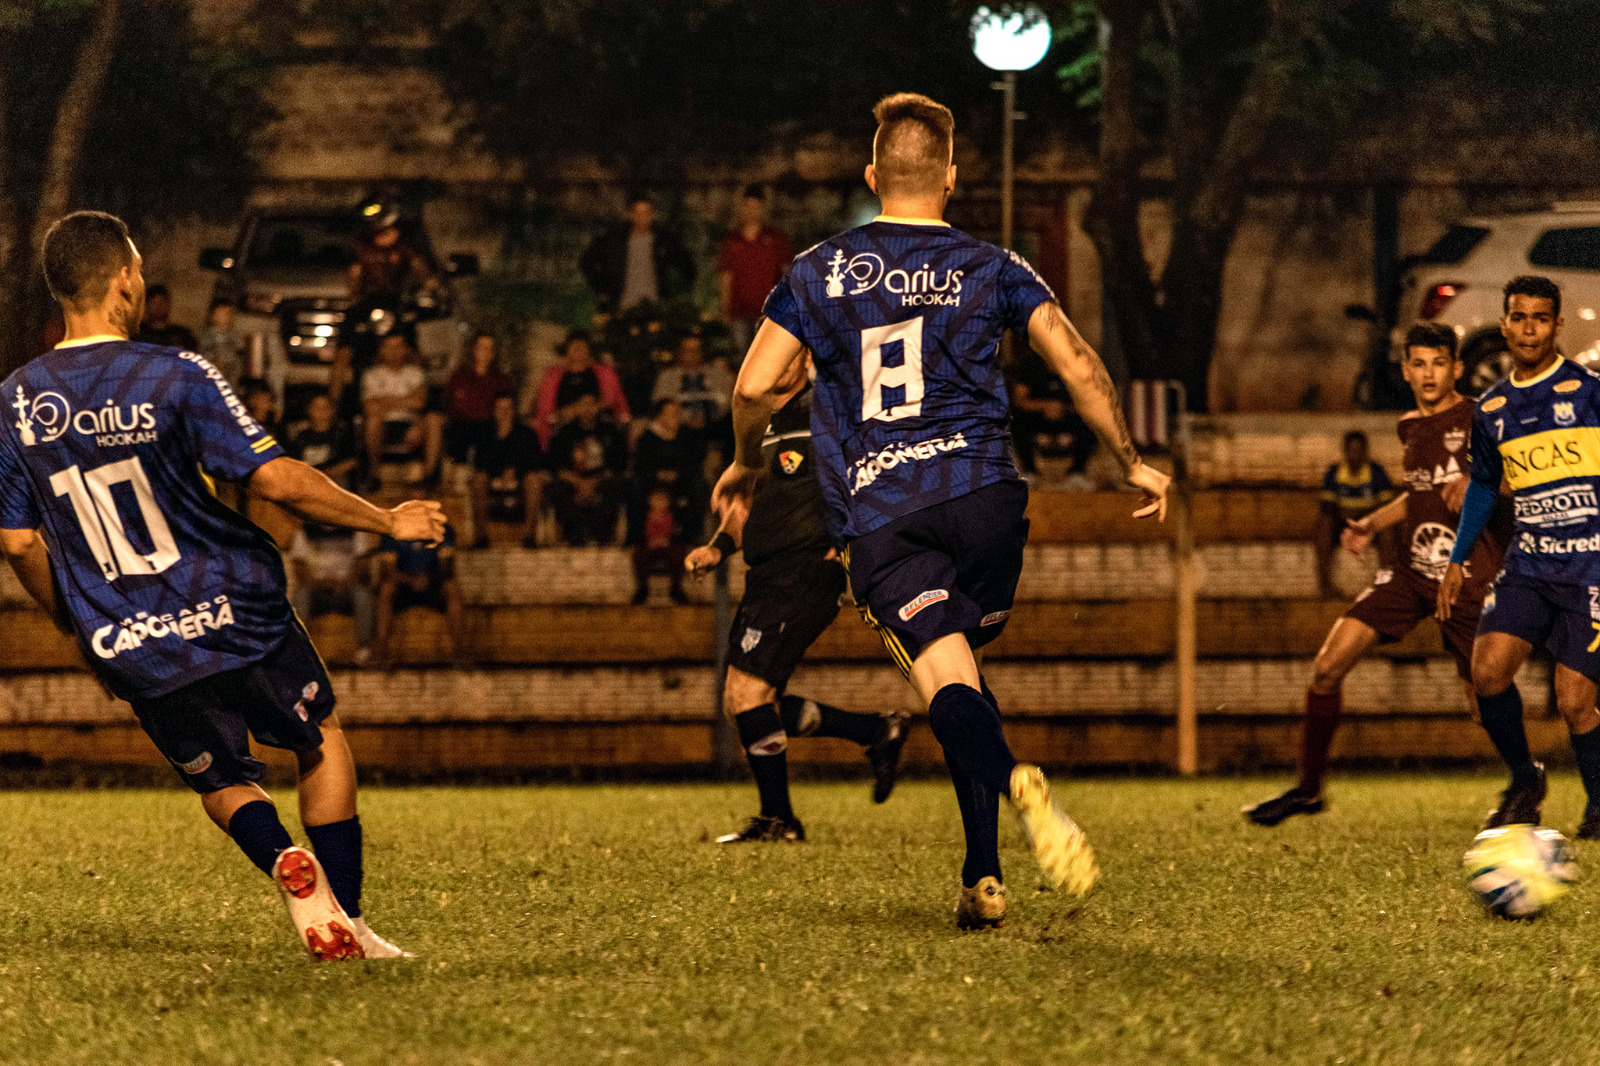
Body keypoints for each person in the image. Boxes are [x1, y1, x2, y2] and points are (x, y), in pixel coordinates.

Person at [713, 94, 1169, 929]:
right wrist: (1132, 461)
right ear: (951, 178)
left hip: (888, 513)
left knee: (945, 681)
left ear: (871, 174)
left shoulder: (819, 269)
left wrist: (746, 461)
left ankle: (1015, 779)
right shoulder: (993, 264)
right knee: (963, 672)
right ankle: (981, 875)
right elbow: (1076, 361)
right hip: (987, 500)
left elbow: (752, 387)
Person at [0, 210, 443, 960]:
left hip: (129, 632)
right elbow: (276, 480)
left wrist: (79, 626)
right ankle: (351, 921)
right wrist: (386, 519)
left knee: (220, 779)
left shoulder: (14, 401)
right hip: (232, 604)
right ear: (124, 280)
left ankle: (282, 858)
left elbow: (17, 541)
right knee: (319, 738)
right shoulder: (175, 373)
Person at [1243, 323, 1510, 826]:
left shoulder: (1481, 417)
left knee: (1484, 705)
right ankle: (1308, 790)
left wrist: (1481, 482)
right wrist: (1371, 522)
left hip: (1467, 577)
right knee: (1327, 667)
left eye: (1439, 363)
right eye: (1419, 364)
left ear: (1457, 368)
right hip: (1410, 573)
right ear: (1406, 370)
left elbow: (1516, 476)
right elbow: (1420, 493)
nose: (1429, 374)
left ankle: (1525, 783)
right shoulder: (1409, 426)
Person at [687, 350, 910, 842]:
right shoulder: (756, 423)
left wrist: (849, 543)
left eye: (788, 352)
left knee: (748, 694)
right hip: (767, 574)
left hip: (806, 570)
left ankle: (779, 819)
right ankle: (875, 732)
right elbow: (744, 503)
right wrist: (718, 547)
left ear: (805, 357)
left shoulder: (826, 410)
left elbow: (870, 478)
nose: (777, 360)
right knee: (743, 702)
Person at [1440, 275, 1600, 837]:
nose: (1529, 328)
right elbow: (1485, 486)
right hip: (1529, 563)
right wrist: (1457, 558)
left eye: (1540, 318)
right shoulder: (1491, 407)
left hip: (1590, 567)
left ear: (1557, 325)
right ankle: (1525, 780)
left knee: (1574, 701)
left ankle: (1599, 804)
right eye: (1519, 317)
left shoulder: (1589, 392)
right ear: (1505, 325)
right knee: (1487, 672)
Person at [373, 500, 464, 667]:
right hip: (403, 587)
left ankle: (460, 652)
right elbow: (388, 570)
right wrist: (410, 580)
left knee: (452, 588)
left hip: (433, 584)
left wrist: (428, 578)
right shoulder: (391, 529)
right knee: (386, 588)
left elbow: (447, 568)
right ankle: (381, 652)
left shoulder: (442, 529)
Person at [577, 196, 695, 312]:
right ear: (630, 215)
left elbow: (687, 265)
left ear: (653, 215)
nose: (642, 217)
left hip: (655, 306)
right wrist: (604, 286)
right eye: (638, 213)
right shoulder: (615, 240)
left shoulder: (665, 241)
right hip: (621, 306)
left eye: (646, 213)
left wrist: (674, 292)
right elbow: (587, 261)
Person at [1317, 430, 1398, 596]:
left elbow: (1388, 505)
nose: (1355, 455)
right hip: (1343, 524)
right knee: (1323, 525)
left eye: (1359, 450)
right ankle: (1325, 586)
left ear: (1365, 452)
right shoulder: (1335, 472)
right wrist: (1343, 514)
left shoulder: (1376, 472)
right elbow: (1326, 505)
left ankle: (1386, 585)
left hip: (1370, 524)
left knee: (1388, 529)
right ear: (1345, 451)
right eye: (1352, 450)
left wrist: (1363, 514)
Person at [361, 333, 444, 489]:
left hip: (411, 422)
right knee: (372, 422)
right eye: (390, 347)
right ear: (382, 350)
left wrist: (385, 401)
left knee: (434, 419)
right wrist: (406, 400)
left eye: (398, 347)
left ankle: (428, 477)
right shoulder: (371, 375)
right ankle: (374, 475)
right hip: (384, 424)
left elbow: (419, 403)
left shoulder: (415, 373)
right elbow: (370, 407)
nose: (394, 351)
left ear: (405, 349)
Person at [718, 186, 793, 358]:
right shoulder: (732, 241)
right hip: (739, 312)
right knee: (742, 358)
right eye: (748, 206)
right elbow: (726, 277)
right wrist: (725, 309)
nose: (751, 211)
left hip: (768, 312)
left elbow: (786, 273)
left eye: (756, 207)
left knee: (767, 357)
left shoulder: (775, 239)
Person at [288, 523, 377, 666]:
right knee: (301, 593)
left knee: (362, 594)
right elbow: (300, 568)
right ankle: (297, 651)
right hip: (317, 589)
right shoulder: (305, 531)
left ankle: (364, 650)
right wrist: (322, 582)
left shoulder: (355, 529)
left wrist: (345, 583)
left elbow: (362, 565)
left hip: (347, 589)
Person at [526, 331, 630, 449]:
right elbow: (545, 412)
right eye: (575, 347)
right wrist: (573, 410)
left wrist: (592, 408)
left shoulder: (604, 375)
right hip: (564, 432)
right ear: (567, 350)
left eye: (582, 347)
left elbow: (618, 406)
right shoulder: (553, 378)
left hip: (599, 431)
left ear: (589, 351)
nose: (579, 351)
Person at [1009, 348, 1096, 482]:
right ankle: (1029, 471)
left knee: (1092, 422)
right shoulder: (1031, 366)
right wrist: (1045, 406)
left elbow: (1088, 399)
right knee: (1017, 421)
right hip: (1038, 417)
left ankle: (1077, 472)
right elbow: (1019, 400)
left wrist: (1063, 408)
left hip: (1067, 417)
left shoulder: (1076, 366)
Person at [470, 395, 545, 549]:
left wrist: (514, 471)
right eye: (500, 409)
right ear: (494, 411)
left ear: (514, 411)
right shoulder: (485, 434)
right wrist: (499, 474)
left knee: (535, 481)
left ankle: (529, 536)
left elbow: (534, 460)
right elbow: (480, 462)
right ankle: (481, 537)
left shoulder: (526, 433)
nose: (504, 413)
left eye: (508, 408)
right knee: (478, 480)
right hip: (492, 478)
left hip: (521, 478)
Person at [444, 332, 513, 468]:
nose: (486, 352)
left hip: (487, 427)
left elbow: (505, 407)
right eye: (482, 347)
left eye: (490, 348)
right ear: (474, 350)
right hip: (461, 426)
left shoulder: (500, 380)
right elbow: (450, 404)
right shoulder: (459, 376)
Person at [651, 333, 734, 437]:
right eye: (688, 351)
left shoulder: (718, 375)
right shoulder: (667, 377)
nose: (692, 355)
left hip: (714, 427)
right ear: (680, 353)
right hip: (679, 431)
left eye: (696, 351)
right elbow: (660, 405)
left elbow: (727, 402)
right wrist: (684, 418)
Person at [287, 390, 360, 490]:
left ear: (332, 411)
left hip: (334, 481)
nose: (321, 412)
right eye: (317, 408)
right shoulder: (301, 437)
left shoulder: (342, 434)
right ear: (309, 410)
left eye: (325, 408)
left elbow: (351, 461)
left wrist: (327, 474)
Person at [631, 487, 690, 605]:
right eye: (656, 499)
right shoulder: (642, 517)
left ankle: (676, 589)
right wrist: (650, 541)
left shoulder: (675, 517)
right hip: (649, 547)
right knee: (639, 554)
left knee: (679, 554)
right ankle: (642, 589)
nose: (659, 503)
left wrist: (668, 541)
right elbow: (637, 534)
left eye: (662, 500)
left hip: (669, 546)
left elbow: (680, 534)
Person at [198, 299, 247, 387]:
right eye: (223, 314)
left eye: (229, 314)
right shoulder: (205, 336)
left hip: (231, 380)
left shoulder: (236, 336)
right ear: (213, 316)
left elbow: (240, 356)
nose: (227, 317)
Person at [133, 283, 198, 349]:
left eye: (161, 303)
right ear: (146, 306)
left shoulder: (182, 335)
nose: (158, 307)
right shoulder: (136, 333)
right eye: (154, 304)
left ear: (168, 305)